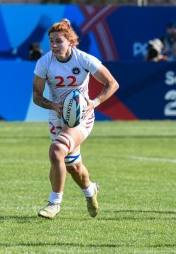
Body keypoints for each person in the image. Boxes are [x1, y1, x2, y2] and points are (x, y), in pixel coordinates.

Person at [32, 18, 119, 219]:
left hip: (81, 118)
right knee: (73, 167)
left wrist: (93, 103)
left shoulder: (84, 59)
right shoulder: (44, 62)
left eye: (59, 41)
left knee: (56, 152)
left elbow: (112, 84)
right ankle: (90, 191)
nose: (54, 45)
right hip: (57, 117)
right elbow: (36, 96)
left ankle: (54, 203)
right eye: (51, 41)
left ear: (70, 41)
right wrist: (54, 106)